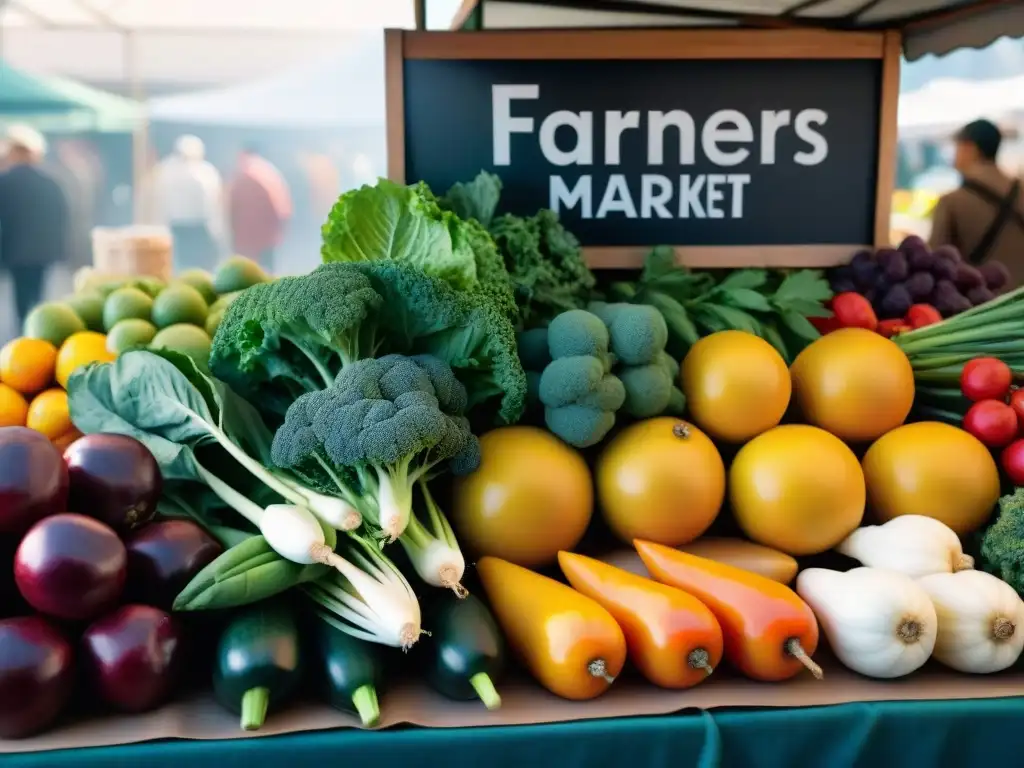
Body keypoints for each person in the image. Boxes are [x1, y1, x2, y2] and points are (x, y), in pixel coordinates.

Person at [930, 119, 1024, 287]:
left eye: (957, 147)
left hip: (978, 307)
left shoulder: (952, 202)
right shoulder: (1020, 193)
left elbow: (935, 265)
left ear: (969, 148)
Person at [0, 125, 71, 329]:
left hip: (15, 249)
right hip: (43, 249)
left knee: (20, 293)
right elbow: (62, 216)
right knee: (37, 290)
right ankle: (38, 326)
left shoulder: (4, 182)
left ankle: (24, 328)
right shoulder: (49, 182)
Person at [152, 135, 224, 272]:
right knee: (189, 269)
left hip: (192, 228)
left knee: (189, 269)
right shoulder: (205, 172)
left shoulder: (166, 170)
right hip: (187, 229)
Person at [227, 145, 292, 272]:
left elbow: (232, 207)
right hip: (267, 231)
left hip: (250, 234)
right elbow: (283, 207)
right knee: (267, 268)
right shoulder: (268, 170)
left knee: (251, 271)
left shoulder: (247, 174)